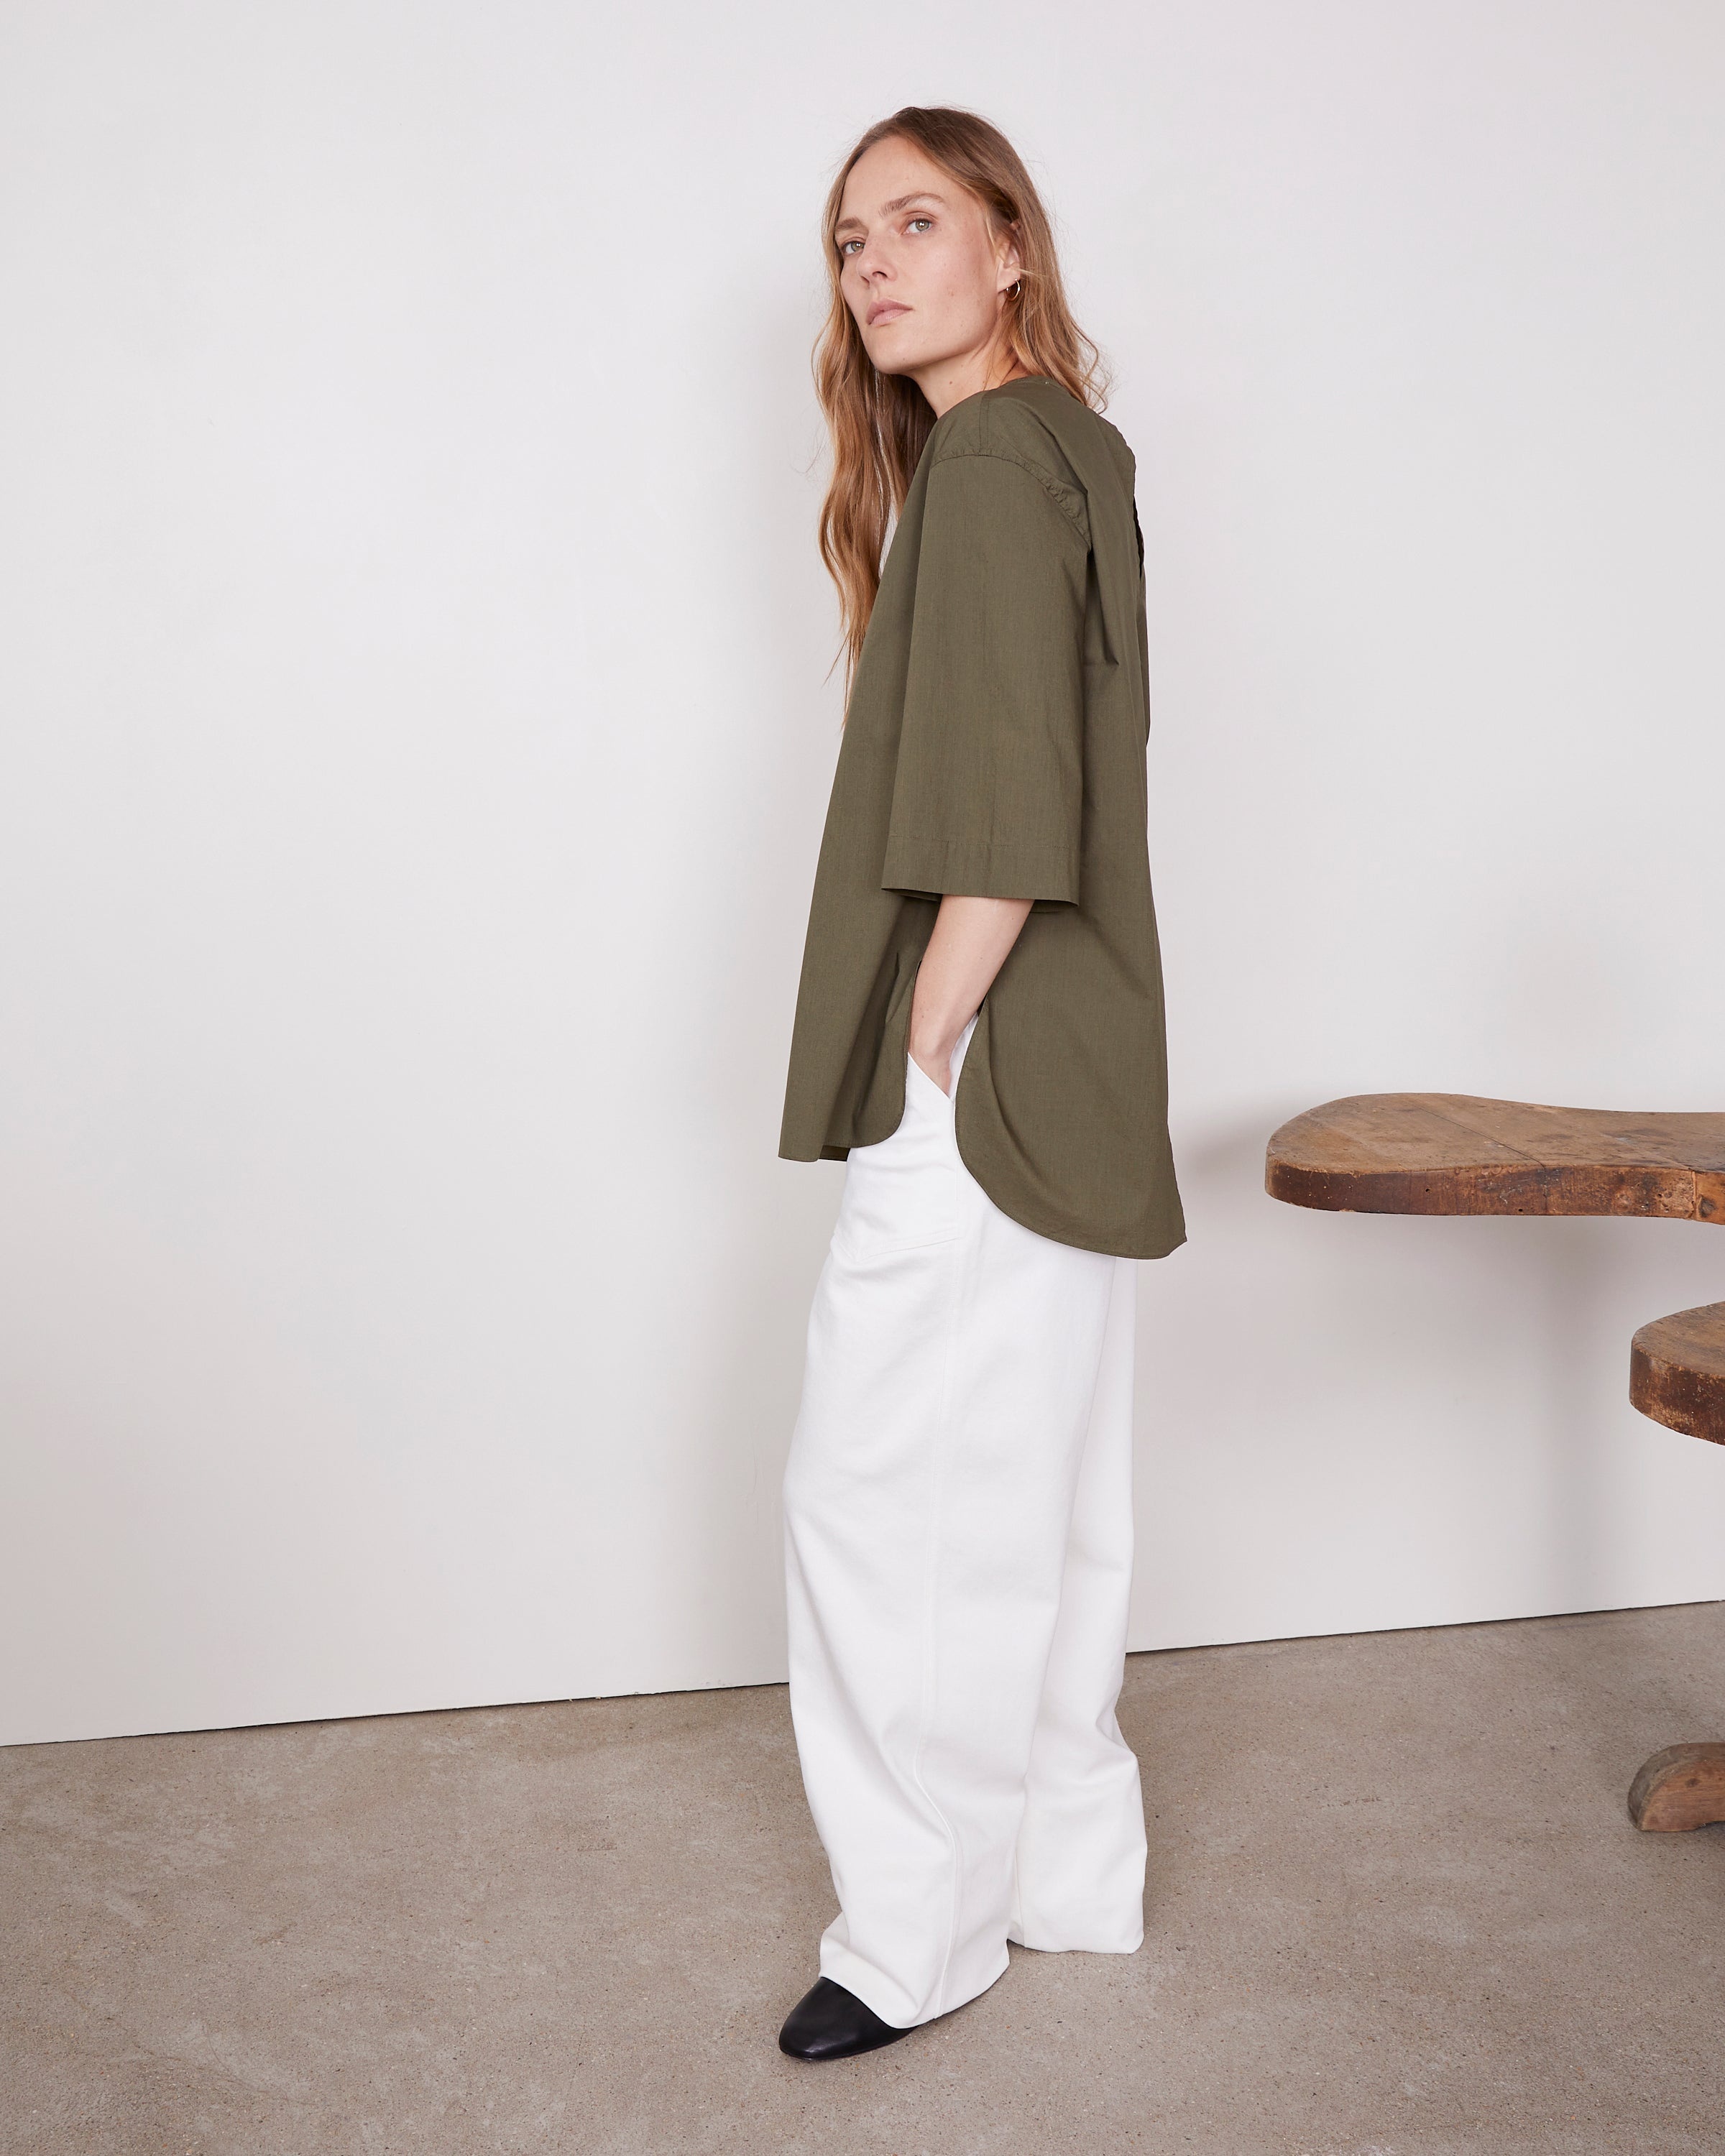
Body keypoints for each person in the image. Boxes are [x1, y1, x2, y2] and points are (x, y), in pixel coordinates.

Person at [775, 106, 1186, 2063]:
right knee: (1042, 1493)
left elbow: (1011, 824)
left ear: (1012, 243)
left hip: (990, 1071)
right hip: (1078, 1064)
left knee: (886, 1502)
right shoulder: (1068, 448)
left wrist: (926, 1041)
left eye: (916, 221)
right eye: (850, 238)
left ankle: (910, 1939)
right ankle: (1062, 1877)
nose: (872, 263)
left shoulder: (999, 464)